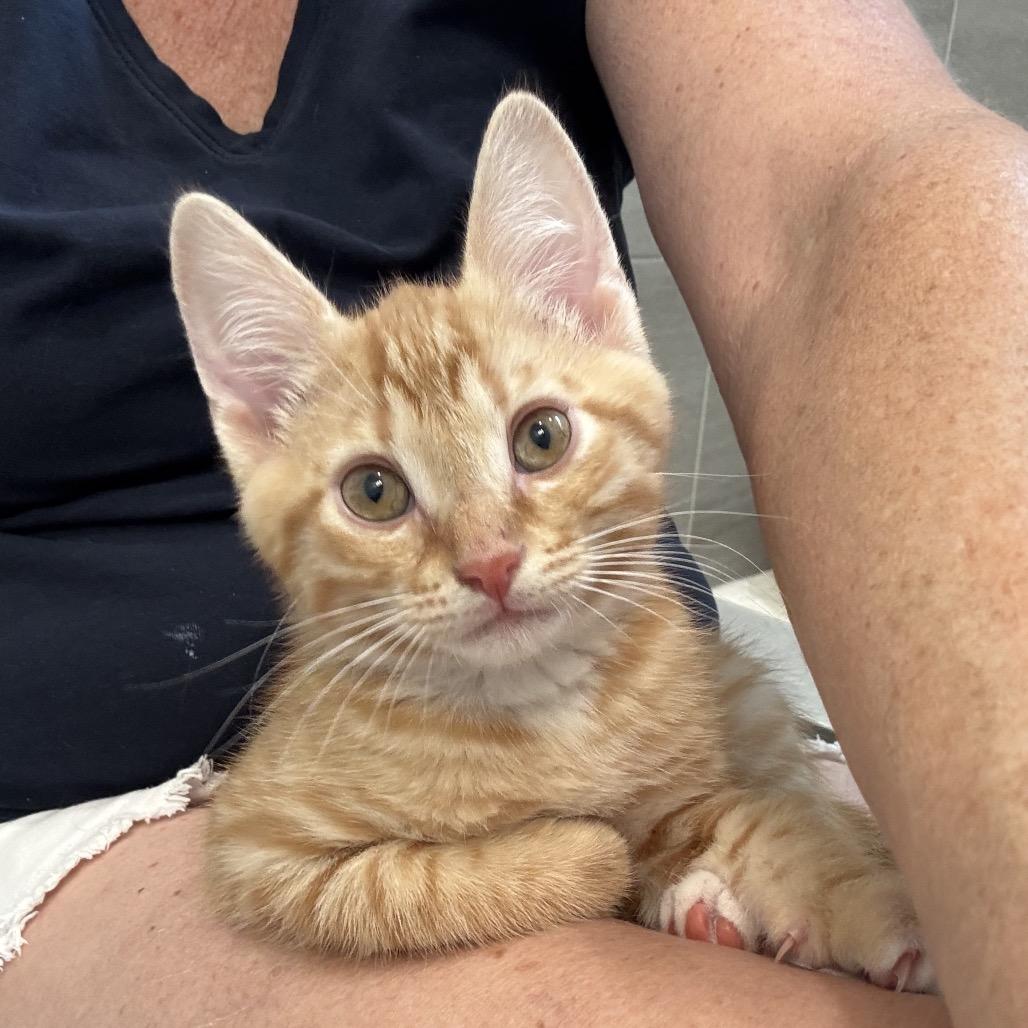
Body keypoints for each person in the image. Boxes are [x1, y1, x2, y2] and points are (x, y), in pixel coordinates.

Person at [0, 2, 1023, 1025]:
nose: (486, 553)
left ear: (593, 316)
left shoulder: (652, 669)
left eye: (538, 439)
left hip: (625, 676)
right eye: (377, 490)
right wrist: (563, 868)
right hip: (101, 799)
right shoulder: (361, 734)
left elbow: (856, 171)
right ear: (261, 425)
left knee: (907, 888)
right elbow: (264, 861)